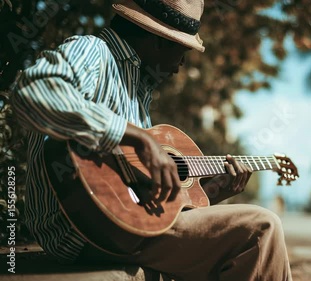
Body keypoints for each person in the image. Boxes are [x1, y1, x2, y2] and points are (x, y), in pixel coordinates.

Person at [11, 0, 293, 280]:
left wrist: (213, 193)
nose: (181, 64)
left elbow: (140, 198)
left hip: (123, 227)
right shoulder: (94, 52)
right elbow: (33, 91)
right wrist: (136, 138)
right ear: (159, 40)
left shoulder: (138, 88)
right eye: (182, 51)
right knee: (261, 228)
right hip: (80, 232)